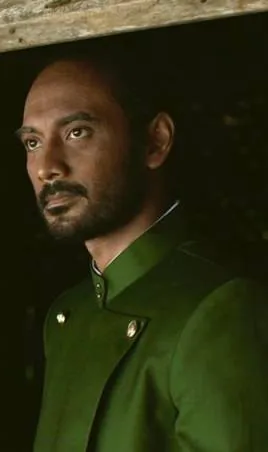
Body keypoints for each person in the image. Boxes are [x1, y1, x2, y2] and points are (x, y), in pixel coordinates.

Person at [17, 53, 268, 451]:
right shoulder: (68, 314)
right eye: (33, 142)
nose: (47, 167)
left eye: (77, 133)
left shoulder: (221, 307)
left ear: (155, 142)